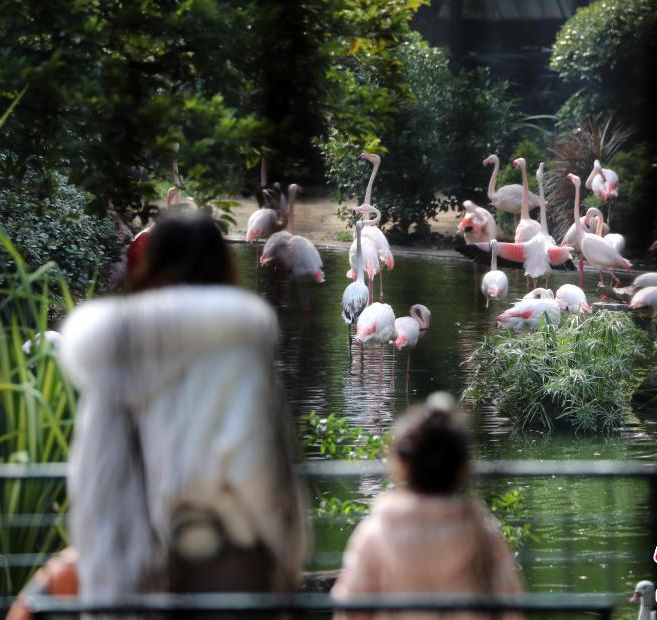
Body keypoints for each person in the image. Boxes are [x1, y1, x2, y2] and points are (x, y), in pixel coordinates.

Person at [55, 210, 307, 606]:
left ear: (150, 263)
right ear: (223, 266)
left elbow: (89, 480)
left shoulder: (113, 356)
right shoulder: (237, 355)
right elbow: (259, 478)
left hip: (121, 579)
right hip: (215, 589)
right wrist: (282, 561)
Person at [331, 393, 524, 619]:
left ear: (401, 466)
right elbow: (511, 610)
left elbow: (349, 611)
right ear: (463, 469)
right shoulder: (485, 536)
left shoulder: (374, 534)